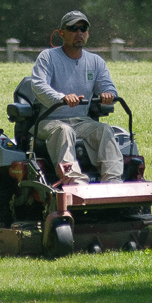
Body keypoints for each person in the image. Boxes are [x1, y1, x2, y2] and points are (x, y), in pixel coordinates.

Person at [28, 10, 123, 186]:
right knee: (65, 131)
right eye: (73, 28)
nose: (78, 33)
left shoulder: (95, 61)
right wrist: (62, 98)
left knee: (105, 130)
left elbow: (107, 86)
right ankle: (74, 182)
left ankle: (113, 182)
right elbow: (38, 86)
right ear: (61, 33)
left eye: (83, 28)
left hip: (81, 121)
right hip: (49, 121)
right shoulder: (48, 57)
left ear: (87, 33)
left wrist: (108, 94)